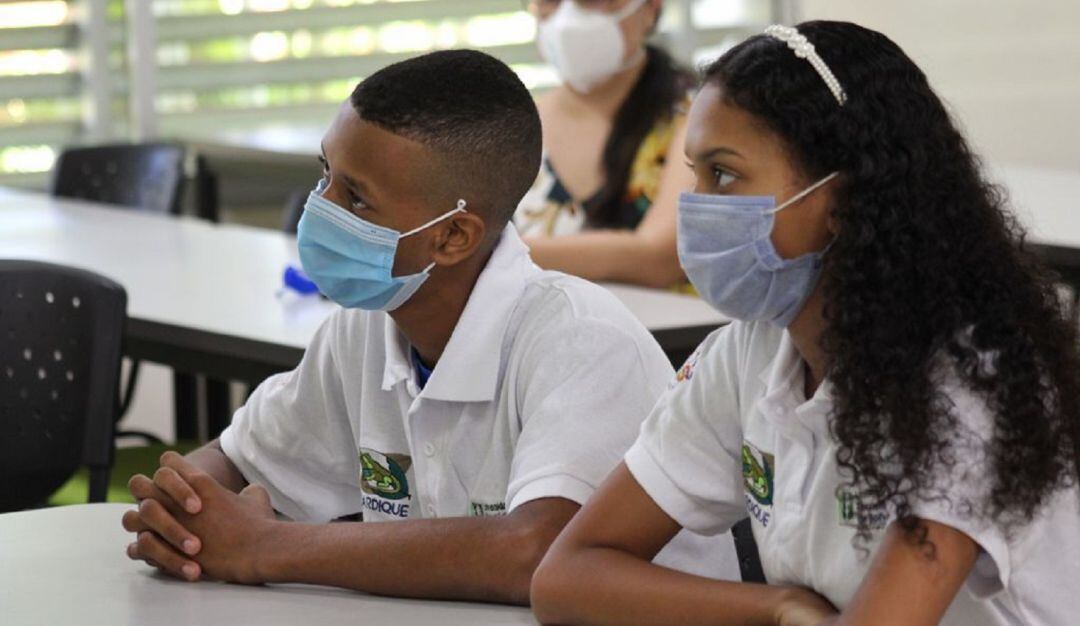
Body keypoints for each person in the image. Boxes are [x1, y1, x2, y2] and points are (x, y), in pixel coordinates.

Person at [120, 49, 737, 605]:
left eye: (356, 198)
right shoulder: (362, 330)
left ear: (453, 236)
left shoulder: (581, 340)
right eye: (324, 174)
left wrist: (265, 547)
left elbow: (535, 552)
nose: (319, 208)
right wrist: (185, 511)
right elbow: (234, 459)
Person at [531, 21, 1080, 625]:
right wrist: (777, 609)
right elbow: (566, 576)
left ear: (842, 199)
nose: (697, 205)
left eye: (723, 175)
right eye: (694, 174)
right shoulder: (750, 354)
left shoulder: (967, 383)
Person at [516, 0, 697, 289]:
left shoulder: (700, 118)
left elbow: (660, 257)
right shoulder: (512, 131)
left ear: (650, 8)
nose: (568, 16)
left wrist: (490, 255)